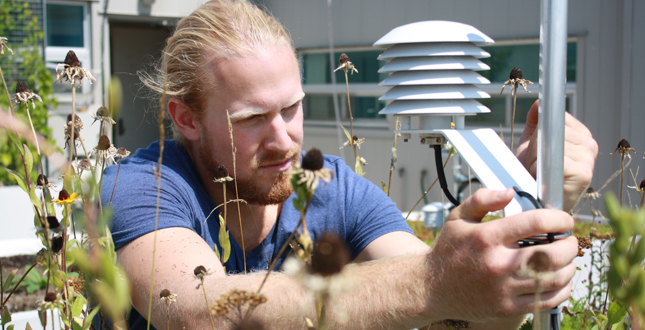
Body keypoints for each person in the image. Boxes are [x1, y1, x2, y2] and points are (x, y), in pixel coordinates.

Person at [100, 1, 598, 329]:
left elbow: (458, 314)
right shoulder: (147, 184)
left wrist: (530, 215)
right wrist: (431, 282)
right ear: (186, 119)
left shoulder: (336, 191)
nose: (284, 139)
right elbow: (194, 312)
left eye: (291, 108)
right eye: (251, 118)